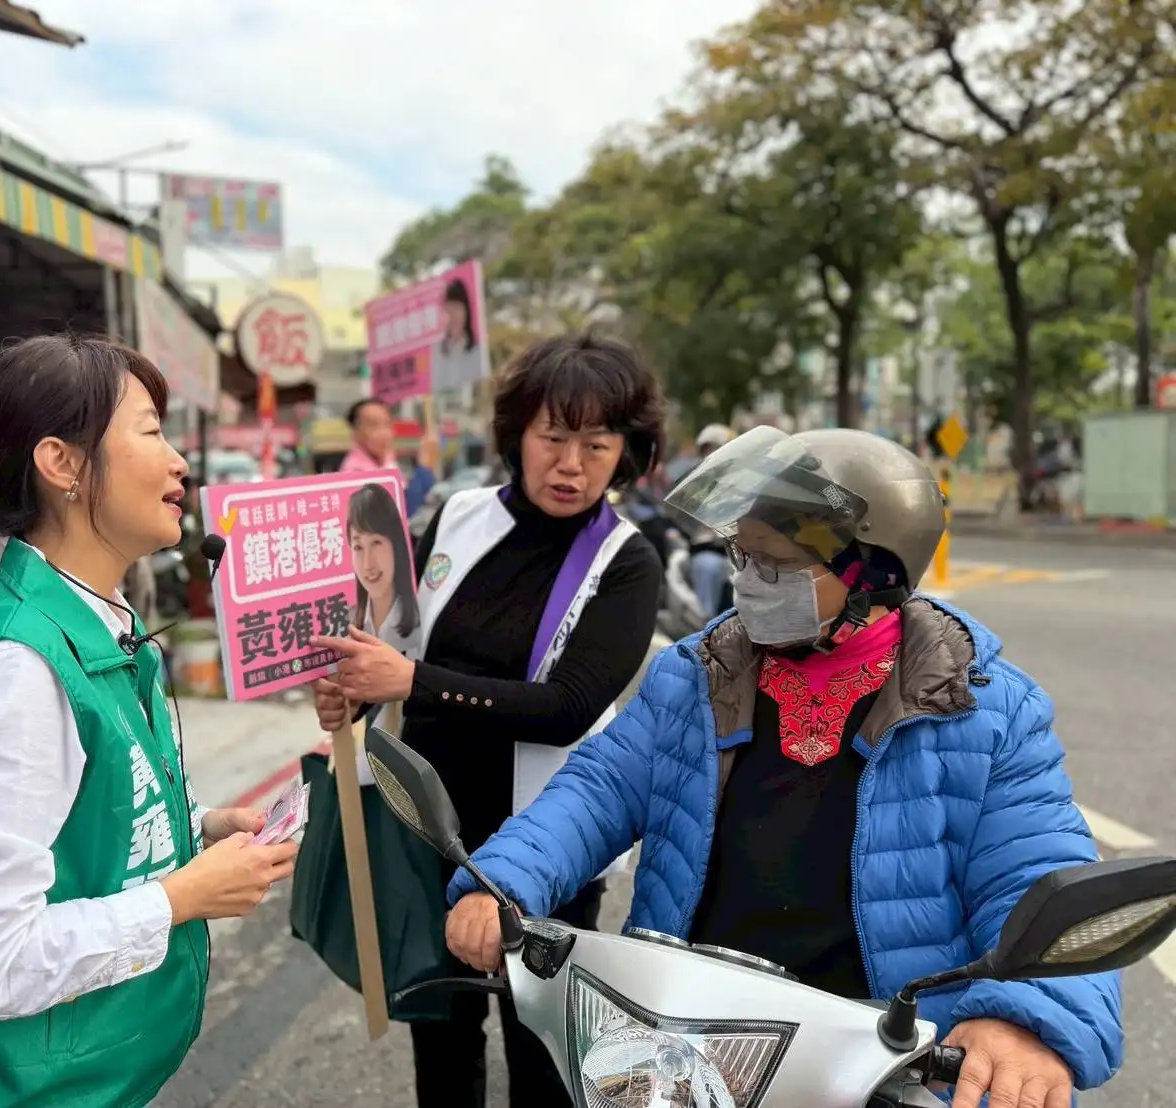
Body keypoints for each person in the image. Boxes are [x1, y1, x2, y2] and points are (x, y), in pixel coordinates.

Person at [444, 426, 1121, 1108]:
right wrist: (504, 878)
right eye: (742, 556)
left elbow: (1036, 872)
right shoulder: (695, 672)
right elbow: (597, 789)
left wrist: (1026, 1017)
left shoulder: (983, 707)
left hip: (877, 1064)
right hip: (683, 1041)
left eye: (776, 566)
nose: (747, 582)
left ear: (871, 576)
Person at [0, 334, 299, 1107]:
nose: (180, 462)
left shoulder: (100, 625)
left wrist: (193, 826)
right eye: (150, 431)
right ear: (62, 464)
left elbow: (68, 808)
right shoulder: (15, 673)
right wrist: (182, 897)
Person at [310, 331, 665, 1107]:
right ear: (518, 435)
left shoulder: (625, 562)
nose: (570, 465)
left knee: (540, 1052)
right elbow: (399, 636)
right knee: (438, 1038)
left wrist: (411, 680)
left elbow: (568, 708)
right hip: (424, 828)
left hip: (542, 844)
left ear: (626, 453)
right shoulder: (462, 514)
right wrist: (357, 691)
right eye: (553, 438)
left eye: (596, 445)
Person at [347, 482, 420, 658]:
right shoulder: (345, 624)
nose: (367, 564)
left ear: (396, 544)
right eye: (358, 547)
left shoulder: (423, 619)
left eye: (376, 542)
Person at [341, 396, 439, 518]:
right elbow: (399, 514)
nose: (383, 433)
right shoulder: (353, 473)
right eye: (373, 425)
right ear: (355, 433)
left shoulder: (387, 461)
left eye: (387, 424)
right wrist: (424, 469)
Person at [683, 423, 735, 618]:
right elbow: (685, 521)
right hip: (710, 551)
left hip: (744, 552)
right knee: (708, 566)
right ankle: (705, 625)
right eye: (707, 450)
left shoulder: (747, 481)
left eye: (718, 449)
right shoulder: (694, 485)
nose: (712, 456)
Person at [429, 277, 486, 394]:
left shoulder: (478, 350)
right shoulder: (437, 349)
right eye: (448, 310)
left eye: (456, 308)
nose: (452, 315)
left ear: (467, 310)